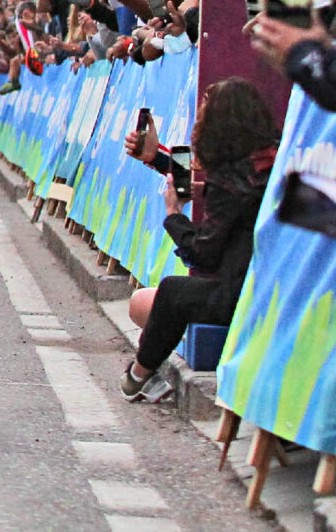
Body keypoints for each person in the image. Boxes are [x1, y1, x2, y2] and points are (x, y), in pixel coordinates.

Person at [117, 77, 279, 402]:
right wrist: (160, 159)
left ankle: (137, 376)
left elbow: (202, 256)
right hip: (282, 292)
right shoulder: (273, 162)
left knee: (161, 296)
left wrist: (174, 214)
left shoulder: (229, 182)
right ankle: (143, 375)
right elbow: (238, 202)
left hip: (245, 298)